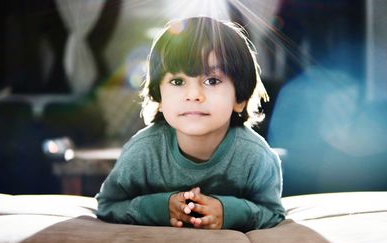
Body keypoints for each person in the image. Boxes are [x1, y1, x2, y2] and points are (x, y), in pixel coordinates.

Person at [96, 16, 285, 232]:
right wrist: (159, 208)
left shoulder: (256, 157)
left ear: (240, 99)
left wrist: (229, 212)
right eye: (177, 82)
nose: (194, 95)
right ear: (159, 96)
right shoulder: (142, 152)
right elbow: (107, 205)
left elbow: (273, 213)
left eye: (212, 81)